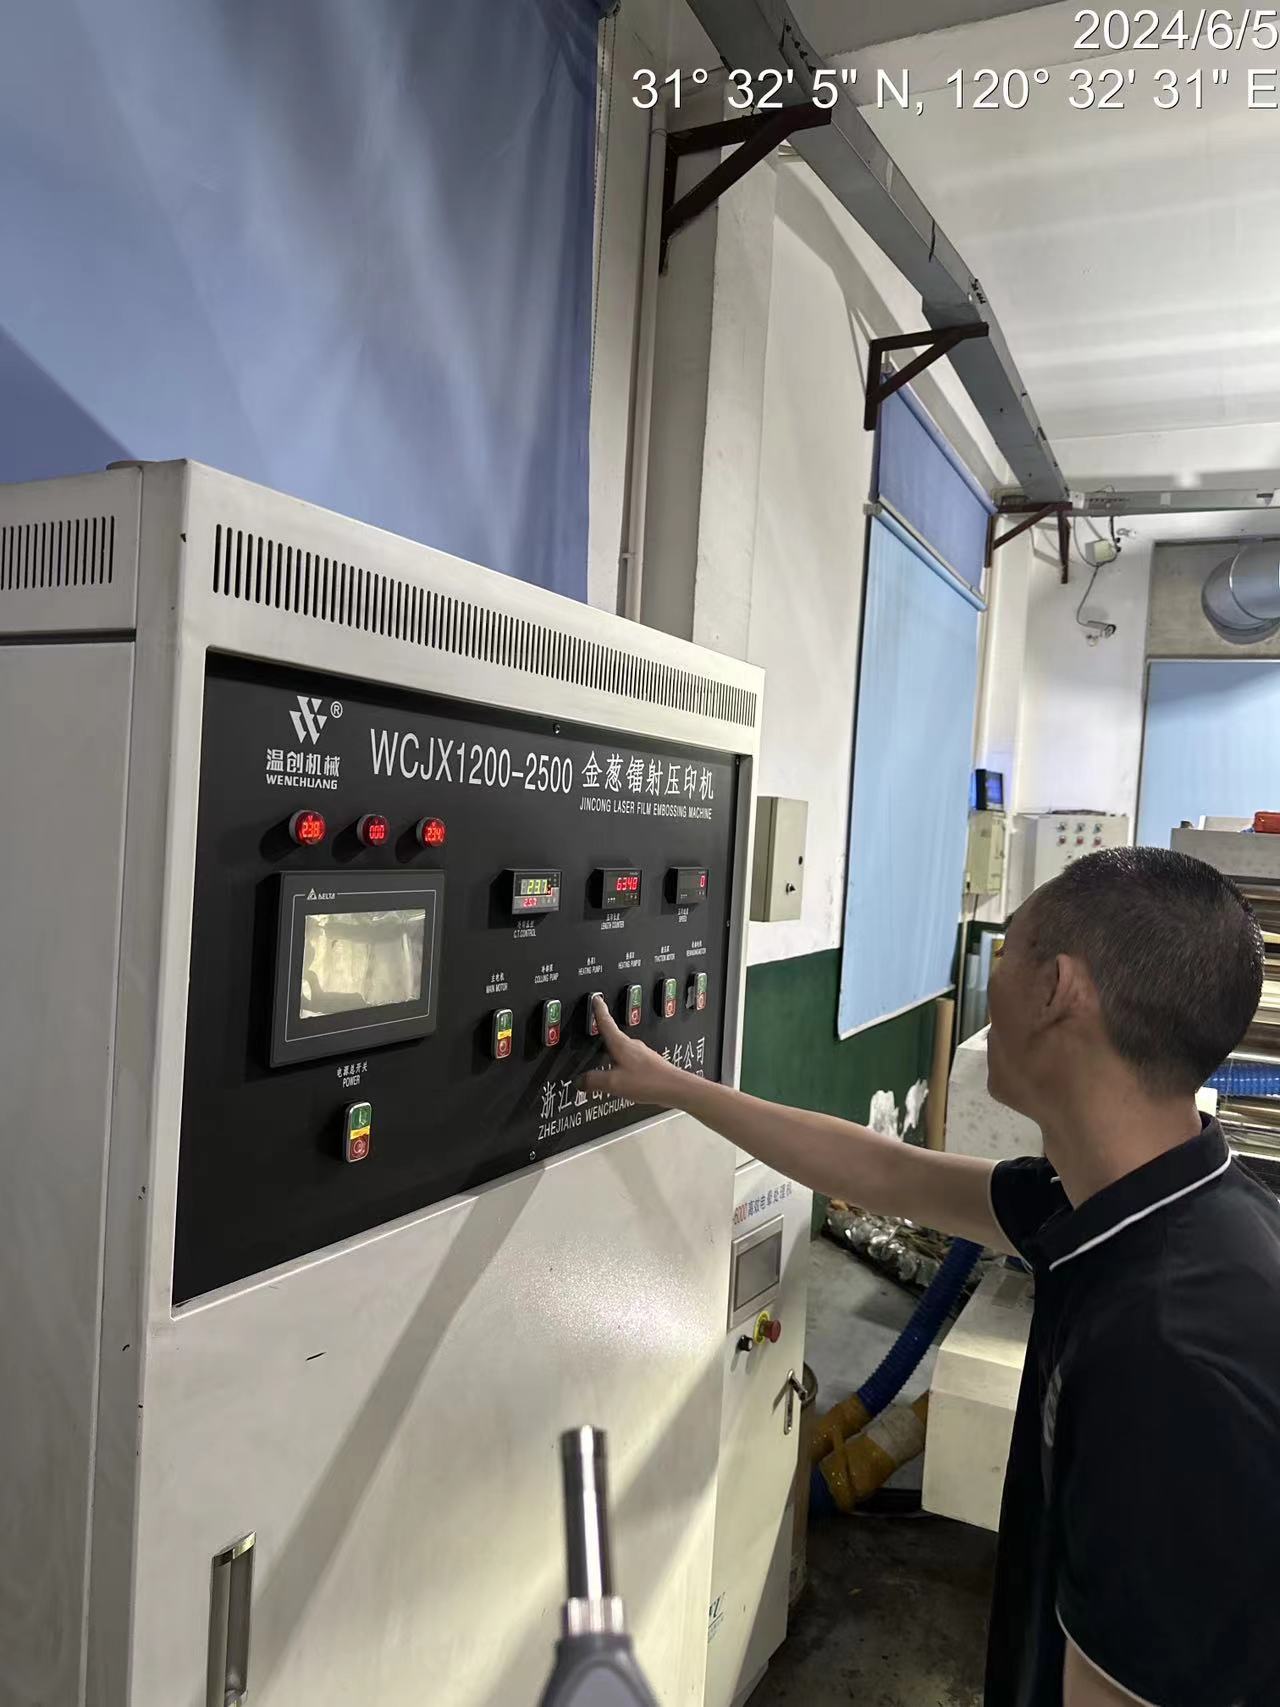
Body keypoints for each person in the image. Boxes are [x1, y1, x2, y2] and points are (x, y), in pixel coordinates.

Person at [582, 847, 1280, 1707]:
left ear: (1056, 989)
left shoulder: (1167, 1351)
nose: (993, 983)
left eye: (1009, 952)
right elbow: (887, 1172)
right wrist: (678, 1087)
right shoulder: (1135, 1200)